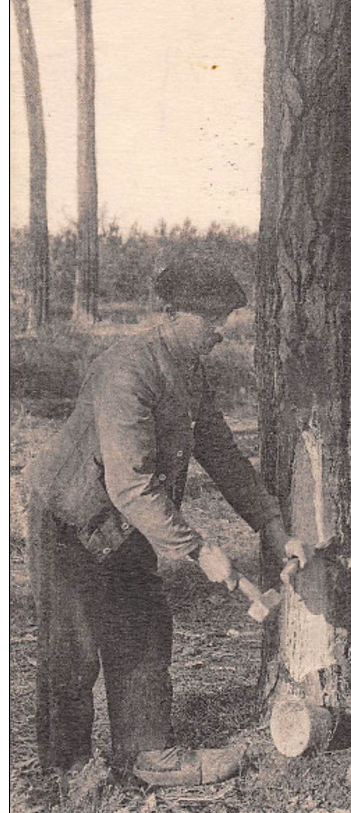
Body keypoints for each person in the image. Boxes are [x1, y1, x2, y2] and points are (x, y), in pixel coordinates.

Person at [27, 257, 304, 786]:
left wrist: (270, 523)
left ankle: (148, 755)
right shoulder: (126, 370)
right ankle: (68, 768)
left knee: (144, 632)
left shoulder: (190, 374)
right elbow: (129, 483)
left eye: (225, 317)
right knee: (73, 648)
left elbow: (221, 454)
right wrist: (199, 549)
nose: (222, 330)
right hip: (72, 516)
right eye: (212, 319)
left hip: (131, 519)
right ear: (173, 313)